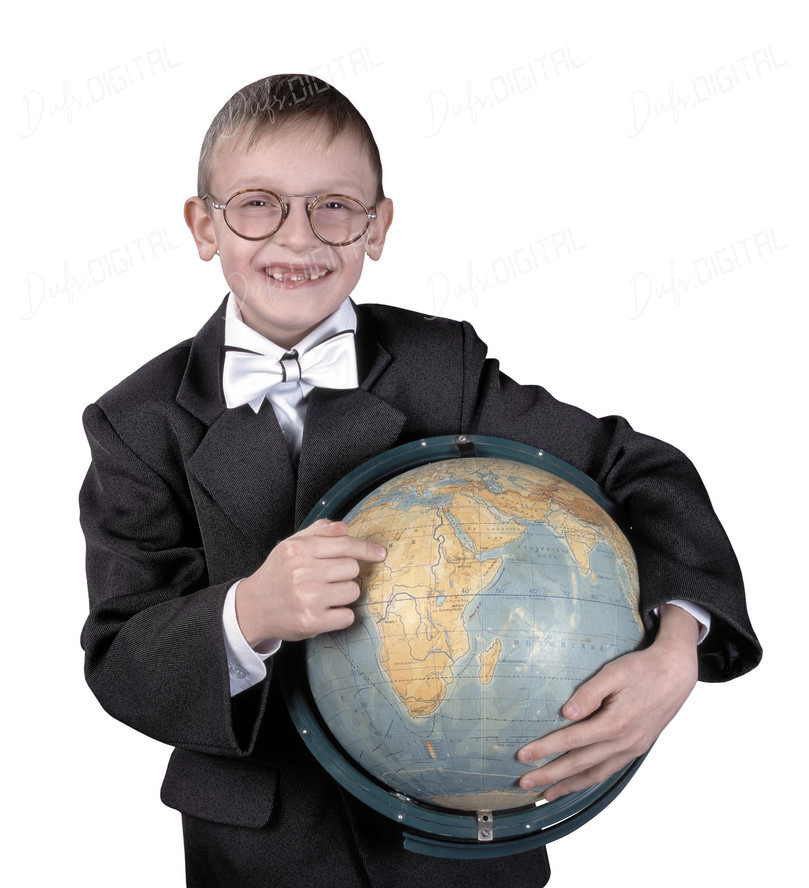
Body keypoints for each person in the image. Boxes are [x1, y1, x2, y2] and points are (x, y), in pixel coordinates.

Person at [80, 74, 761, 888]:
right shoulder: (137, 421)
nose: (298, 237)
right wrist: (249, 611)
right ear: (203, 225)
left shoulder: (444, 368)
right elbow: (120, 659)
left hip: (462, 836)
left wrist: (677, 645)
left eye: (334, 206)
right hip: (263, 853)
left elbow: (638, 468)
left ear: (377, 227)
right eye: (258, 204)